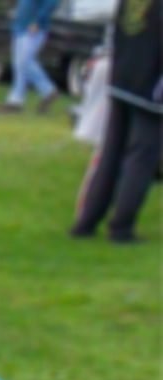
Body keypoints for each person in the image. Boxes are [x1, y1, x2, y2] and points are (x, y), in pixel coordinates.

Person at [71, 0, 162, 243]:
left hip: (122, 77)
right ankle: (121, 227)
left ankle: (87, 221)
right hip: (151, 86)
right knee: (140, 158)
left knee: (111, 153)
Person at [0, 0, 60, 113]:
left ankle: (48, 90)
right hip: (21, 26)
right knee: (19, 65)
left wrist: (38, 21)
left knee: (24, 62)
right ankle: (15, 101)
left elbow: (51, 3)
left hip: (34, 28)